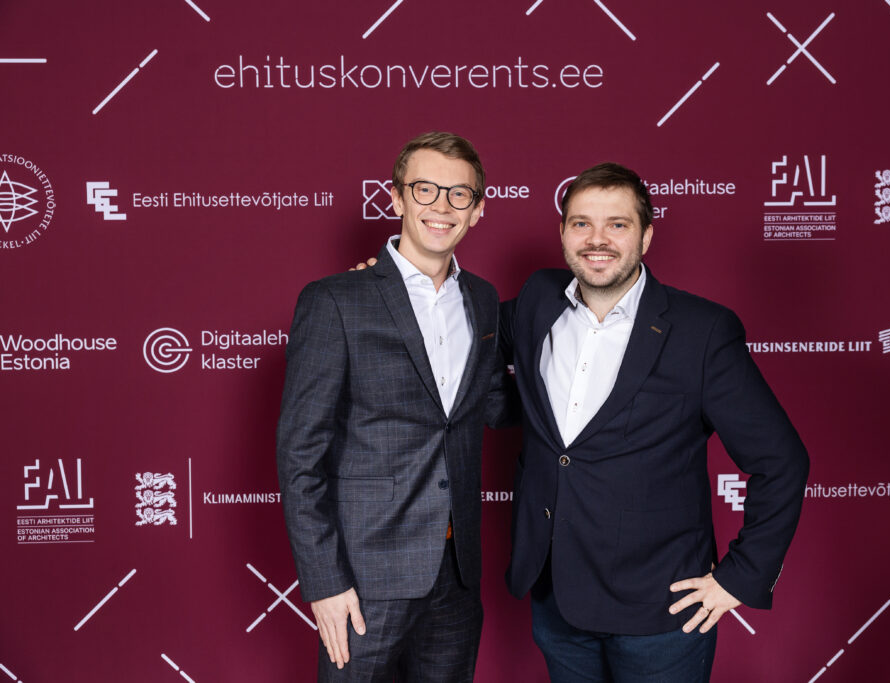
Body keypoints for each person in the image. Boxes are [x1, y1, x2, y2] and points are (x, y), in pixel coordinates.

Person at [501, 162, 809, 682]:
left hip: (660, 613)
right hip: (555, 599)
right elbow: (461, 327)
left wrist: (742, 576)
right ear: (563, 232)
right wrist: (384, 283)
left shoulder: (702, 331)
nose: (597, 240)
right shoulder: (536, 301)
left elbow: (782, 461)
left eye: (617, 224)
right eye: (582, 223)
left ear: (645, 236)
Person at [276, 131, 511, 682]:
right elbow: (299, 456)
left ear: (477, 211)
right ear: (396, 197)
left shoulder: (482, 299)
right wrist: (325, 583)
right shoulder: (335, 300)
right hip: (364, 579)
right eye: (425, 189)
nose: (441, 206)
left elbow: (494, 407)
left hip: (456, 576)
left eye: (459, 194)